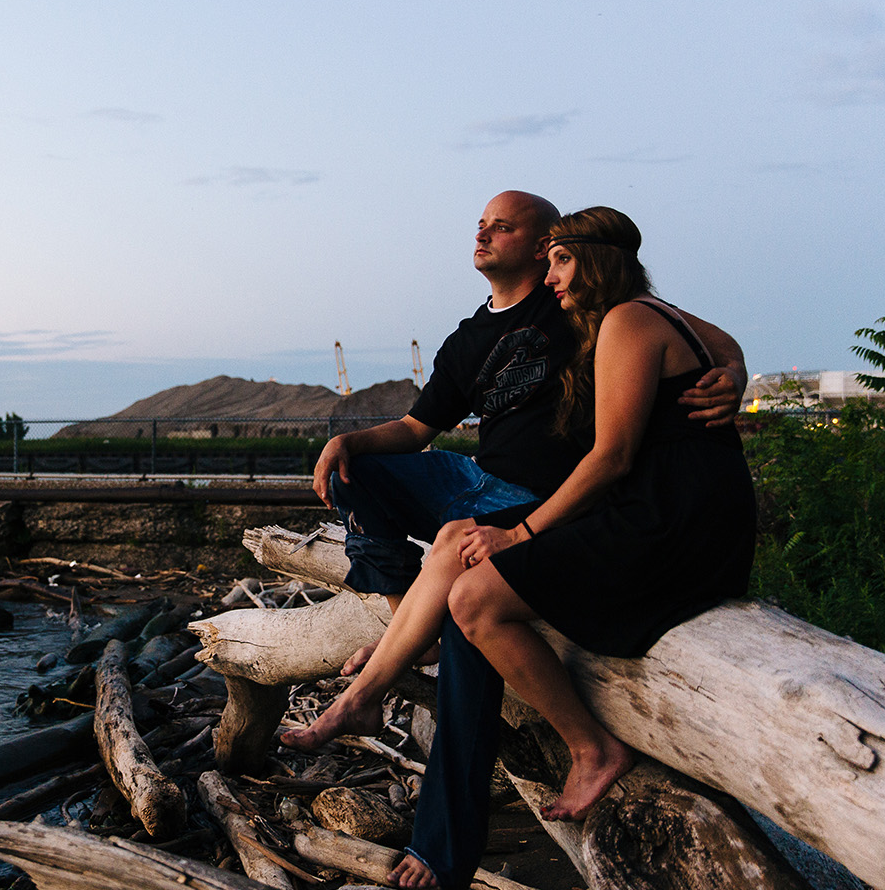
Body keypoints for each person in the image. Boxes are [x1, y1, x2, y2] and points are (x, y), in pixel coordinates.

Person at [289, 207, 757, 888]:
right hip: (669, 511)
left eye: (560, 256)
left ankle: (497, 779)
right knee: (455, 552)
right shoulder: (620, 312)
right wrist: (349, 441)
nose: (551, 269)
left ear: (582, 258)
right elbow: (423, 425)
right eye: (550, 257)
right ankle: (392, 663)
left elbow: (615, 453)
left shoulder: (616, 315)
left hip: (658, 519)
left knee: (472, 593)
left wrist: (521, 533)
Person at [317, 190, 743, 657]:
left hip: (541, 491)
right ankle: (412, 630)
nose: (482, 234)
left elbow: (690, 329)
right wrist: (347, 440)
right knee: (357, 473)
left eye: (502, 226)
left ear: (544, 247)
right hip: (477, 474)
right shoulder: (466, 338)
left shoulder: (572, 299)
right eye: (481, 223)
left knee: (467, 570)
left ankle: (418, 643)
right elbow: (415, 429)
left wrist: (734, 369)